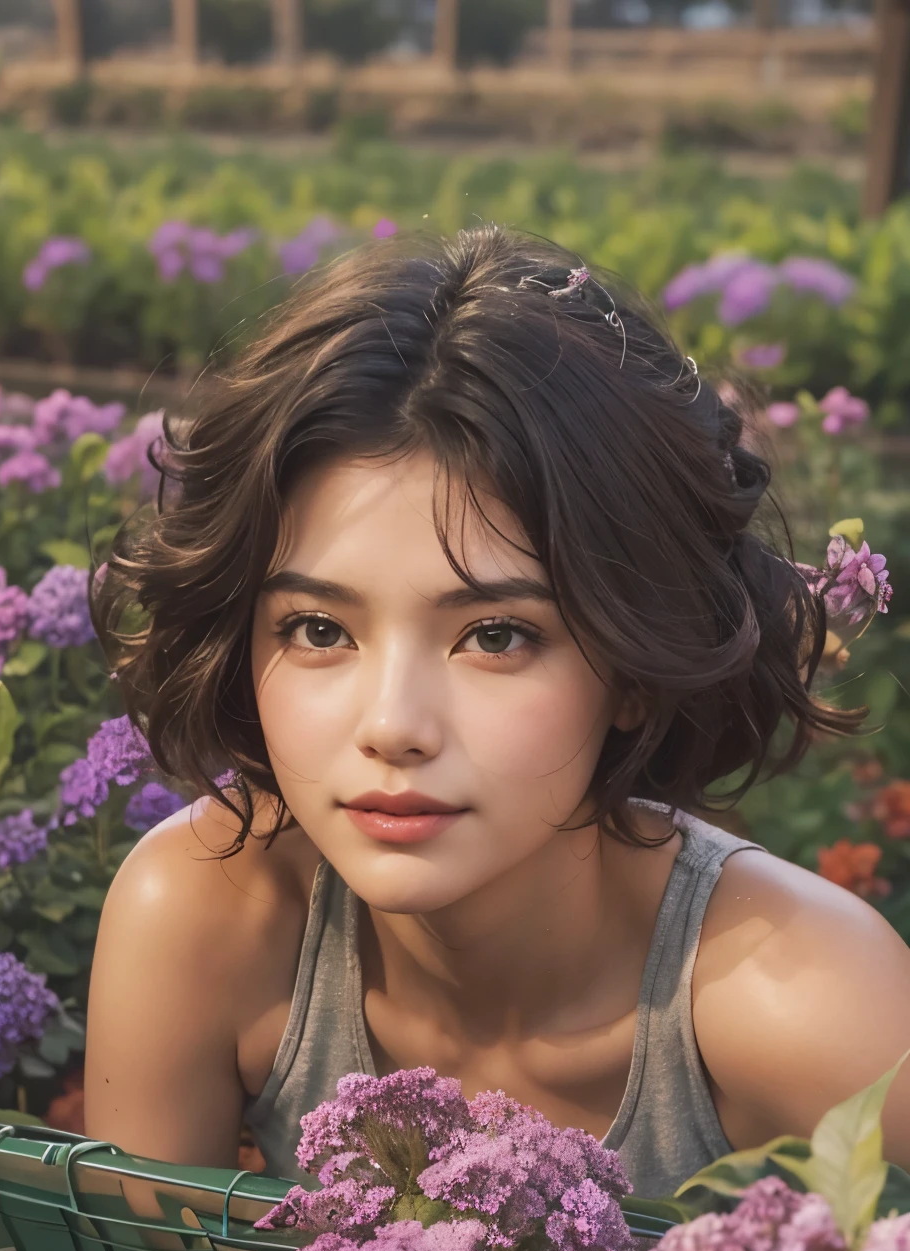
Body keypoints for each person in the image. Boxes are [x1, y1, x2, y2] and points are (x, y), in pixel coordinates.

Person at [85, 225, 910, 1199]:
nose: (393, 726)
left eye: (496, 636)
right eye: (316, 629)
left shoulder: (810, 1008)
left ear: (636, 662)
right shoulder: (206, 918)